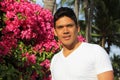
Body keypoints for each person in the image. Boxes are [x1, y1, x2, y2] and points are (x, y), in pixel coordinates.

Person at [50, 7, 114, 80]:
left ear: (78, 28)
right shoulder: (55, 60)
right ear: (55, 32)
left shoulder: (95, 52)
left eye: (69, 26)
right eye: (60, 27)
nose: (65, 31)